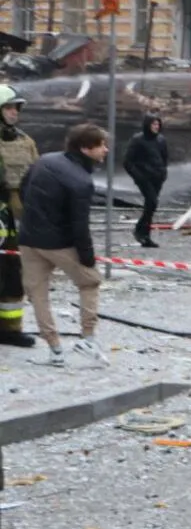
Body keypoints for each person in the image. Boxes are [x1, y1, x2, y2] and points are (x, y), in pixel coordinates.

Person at [18, 123, 110, 367]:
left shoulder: (45, 160)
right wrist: (87, 257)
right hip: (59, 243)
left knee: (38, 295)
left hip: (28, 239)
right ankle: (88, 338)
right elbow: (80, 225)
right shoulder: (81, 181)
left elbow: (23, 189)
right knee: (90, 282)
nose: (106, 150)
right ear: (85, 148)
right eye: (101, 145)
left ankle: (55, 349)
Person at [0, 86, 39, 348]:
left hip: (18, 218)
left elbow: (37, 174)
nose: (15, 112)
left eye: (17, 108)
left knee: (15, 274)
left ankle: (11, 329)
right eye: (9, 107)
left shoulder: (25, 141)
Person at [123, 114, 168, 249]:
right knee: (152, 202)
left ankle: (144, 234)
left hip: (157, 177)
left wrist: (163, 172)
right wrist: (138, 176)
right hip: (144, 177)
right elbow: (127, 161)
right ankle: (141, 231)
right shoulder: (138, 140)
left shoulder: (161, 140)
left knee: (151, 206)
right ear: (147, 125)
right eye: (153, 124)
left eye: (158, 125)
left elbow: (164, 157)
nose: (156, 127)